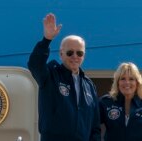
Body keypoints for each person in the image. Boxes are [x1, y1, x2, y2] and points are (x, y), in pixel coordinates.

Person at [27, 13, 101, 141]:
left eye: (79, 53)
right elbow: (34, 65)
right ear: (61, 54)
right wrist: (46, 40)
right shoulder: (51, 75)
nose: (75, 56)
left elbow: (95, 126)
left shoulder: (89, 85)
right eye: (69, 52)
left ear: (84, 55)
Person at [99, 62, 142, 141]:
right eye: (123, 79)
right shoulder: (105, 103)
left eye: (131, 79)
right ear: (117, 82)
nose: (127, 83)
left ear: (137, 82)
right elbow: (92, 128)